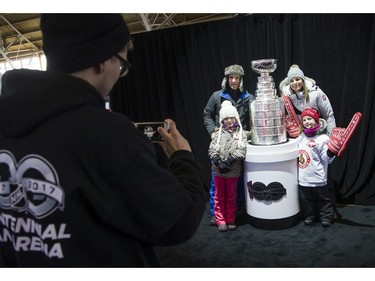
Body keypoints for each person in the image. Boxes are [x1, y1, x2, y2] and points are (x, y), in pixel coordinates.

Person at [0, 14, 207, 267]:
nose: (119, 74)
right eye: (121, 65)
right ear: (101, 61)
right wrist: (181, 156)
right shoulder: (107, 135)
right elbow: (179, 221)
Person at [278, 64, 340, 219]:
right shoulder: (286, 96)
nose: (295, 83)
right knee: (305, 176)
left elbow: (329, 114)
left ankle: (329, 211)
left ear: (303, 79)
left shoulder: (315, 93)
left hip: (319, 136)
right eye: (292, 81)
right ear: (289, 83)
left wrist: (332, 138)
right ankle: (308, 212)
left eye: (298, 79)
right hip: (301, 138)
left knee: (324, 176)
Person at [203, 64, 255, 226]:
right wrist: (213, 132)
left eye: (237, 77)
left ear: (241, 79)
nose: (233, 81)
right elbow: (207, 114)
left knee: (237, 180)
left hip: (238, 146)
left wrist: (249, 134)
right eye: (231, 77)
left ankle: (236, 211)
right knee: (216, 181)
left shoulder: (249, 98)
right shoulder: (217, 96)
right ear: (226, 79)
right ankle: (215, 213)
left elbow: (255, 120)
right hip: (221, 144)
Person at [208, 101, 247, 232]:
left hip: (233, 170)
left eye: (231, 117)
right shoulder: (218, 133)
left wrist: (229, 161)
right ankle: (220, 220)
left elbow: (242, 150)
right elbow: (212, 149)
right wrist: (218, 162)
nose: (229, 121)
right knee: (219, 196)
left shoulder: (241, 133)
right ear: (222, 120)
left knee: (231, 196)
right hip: (218, 171)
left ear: (235, 117)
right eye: (226, 118)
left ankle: (230, 219)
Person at [296, 108, 336, 227]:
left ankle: (326, 216)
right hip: (304, 178)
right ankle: (309, 215)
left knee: (324, 199)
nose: (307, 122)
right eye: (304, 120)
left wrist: (331, 152)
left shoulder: (323, 138)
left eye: (310, 119)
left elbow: (326, 159)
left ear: (316, 120)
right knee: (306, 200)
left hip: (319, 178)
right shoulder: (300, 138)